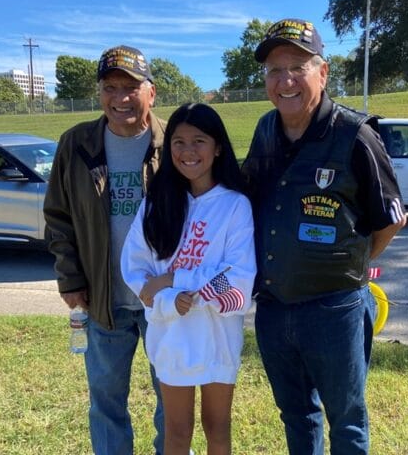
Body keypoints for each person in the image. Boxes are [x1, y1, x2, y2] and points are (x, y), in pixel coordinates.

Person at [242, 18, 407, 455]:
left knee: (347, 420)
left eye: (297, 66)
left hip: (335, 311)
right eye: (274, 71)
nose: (285, 81)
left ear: (323, 72)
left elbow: (391, 218)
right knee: (296, 416)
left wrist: (349, 263)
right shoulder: (265, 130)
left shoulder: (355, 134)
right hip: (274, 309)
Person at [43, 45, 166, 453]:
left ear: (151, 91)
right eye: (110, 87)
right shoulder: (77, 144)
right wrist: (70, 278)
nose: (120, 98)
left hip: (164, 302)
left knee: (173, 401)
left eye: (130, 87)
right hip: (102, 300)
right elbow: (58, 217)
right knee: (107, 402)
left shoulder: (176, 142)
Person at [121, 103, 257, 454]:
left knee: (218, 429)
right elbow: (137, 270)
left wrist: (173, 280)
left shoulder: (234, 205)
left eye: (199, 140)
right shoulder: (156, 203)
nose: (188, 151)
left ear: (218, 147)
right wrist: (167, 298)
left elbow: (238, 276)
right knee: (177, 433)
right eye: (178, 142)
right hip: (173, 336)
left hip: (217, 338)